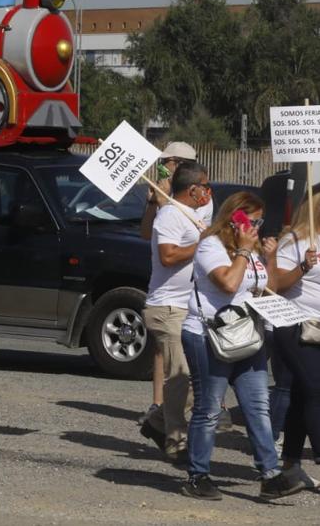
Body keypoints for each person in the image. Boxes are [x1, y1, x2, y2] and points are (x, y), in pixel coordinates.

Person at [180, 191, 304, 500]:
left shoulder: (251, 250)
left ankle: (270, 474)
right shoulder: (211, 246)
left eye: (260, 221)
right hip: (210, 336)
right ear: (235, 219)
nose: (257, 227)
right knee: (208, 408)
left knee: (258, 406)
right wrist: (245, 252)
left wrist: (269, 257)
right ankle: (198, 475)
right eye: (252, 220)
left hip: (248, 336)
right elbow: (228, 283)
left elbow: (268, 289)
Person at [139, 163, 211, 463]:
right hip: (167, 307)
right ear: (192, 189)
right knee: (180, 376)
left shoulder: (193, 217)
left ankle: (156, 423)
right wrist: (201, 246)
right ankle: (176, 442)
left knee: (195, 376)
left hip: (188, 308)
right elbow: (168, 256)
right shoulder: (169, 214)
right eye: (205, 186)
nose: (208, 191)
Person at [268, 190, 320, 483]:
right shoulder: (294, 241)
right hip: (294, 327)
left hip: (318, 329)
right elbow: (275, 285)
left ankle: (290, 465)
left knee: (302, 397)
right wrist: (304, 267)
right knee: (316, 390)